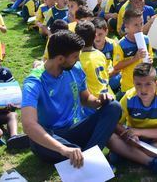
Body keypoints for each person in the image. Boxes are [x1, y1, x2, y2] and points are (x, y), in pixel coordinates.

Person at [21, 30, 122, 165]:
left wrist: (100, 100)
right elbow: (28, 125)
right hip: (50, 137)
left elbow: (86, 99)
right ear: (60, 59)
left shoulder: (76, 69)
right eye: (75, 56)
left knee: (114, 106)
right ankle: (85, 156)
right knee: (71, 148)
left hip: (73, 129)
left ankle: (87, 158)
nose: (78, 60)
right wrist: (64, 149)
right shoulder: (34, 82)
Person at [107, 63, 157, 176]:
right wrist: (128, 134)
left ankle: (127, 153)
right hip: (134, 139)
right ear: (133, 84)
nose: (143, 89)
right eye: (138, 84)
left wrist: (139, 131)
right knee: (110, 138)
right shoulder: (129, 98)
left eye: (148, 84)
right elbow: (115, 123)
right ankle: (152, 162)